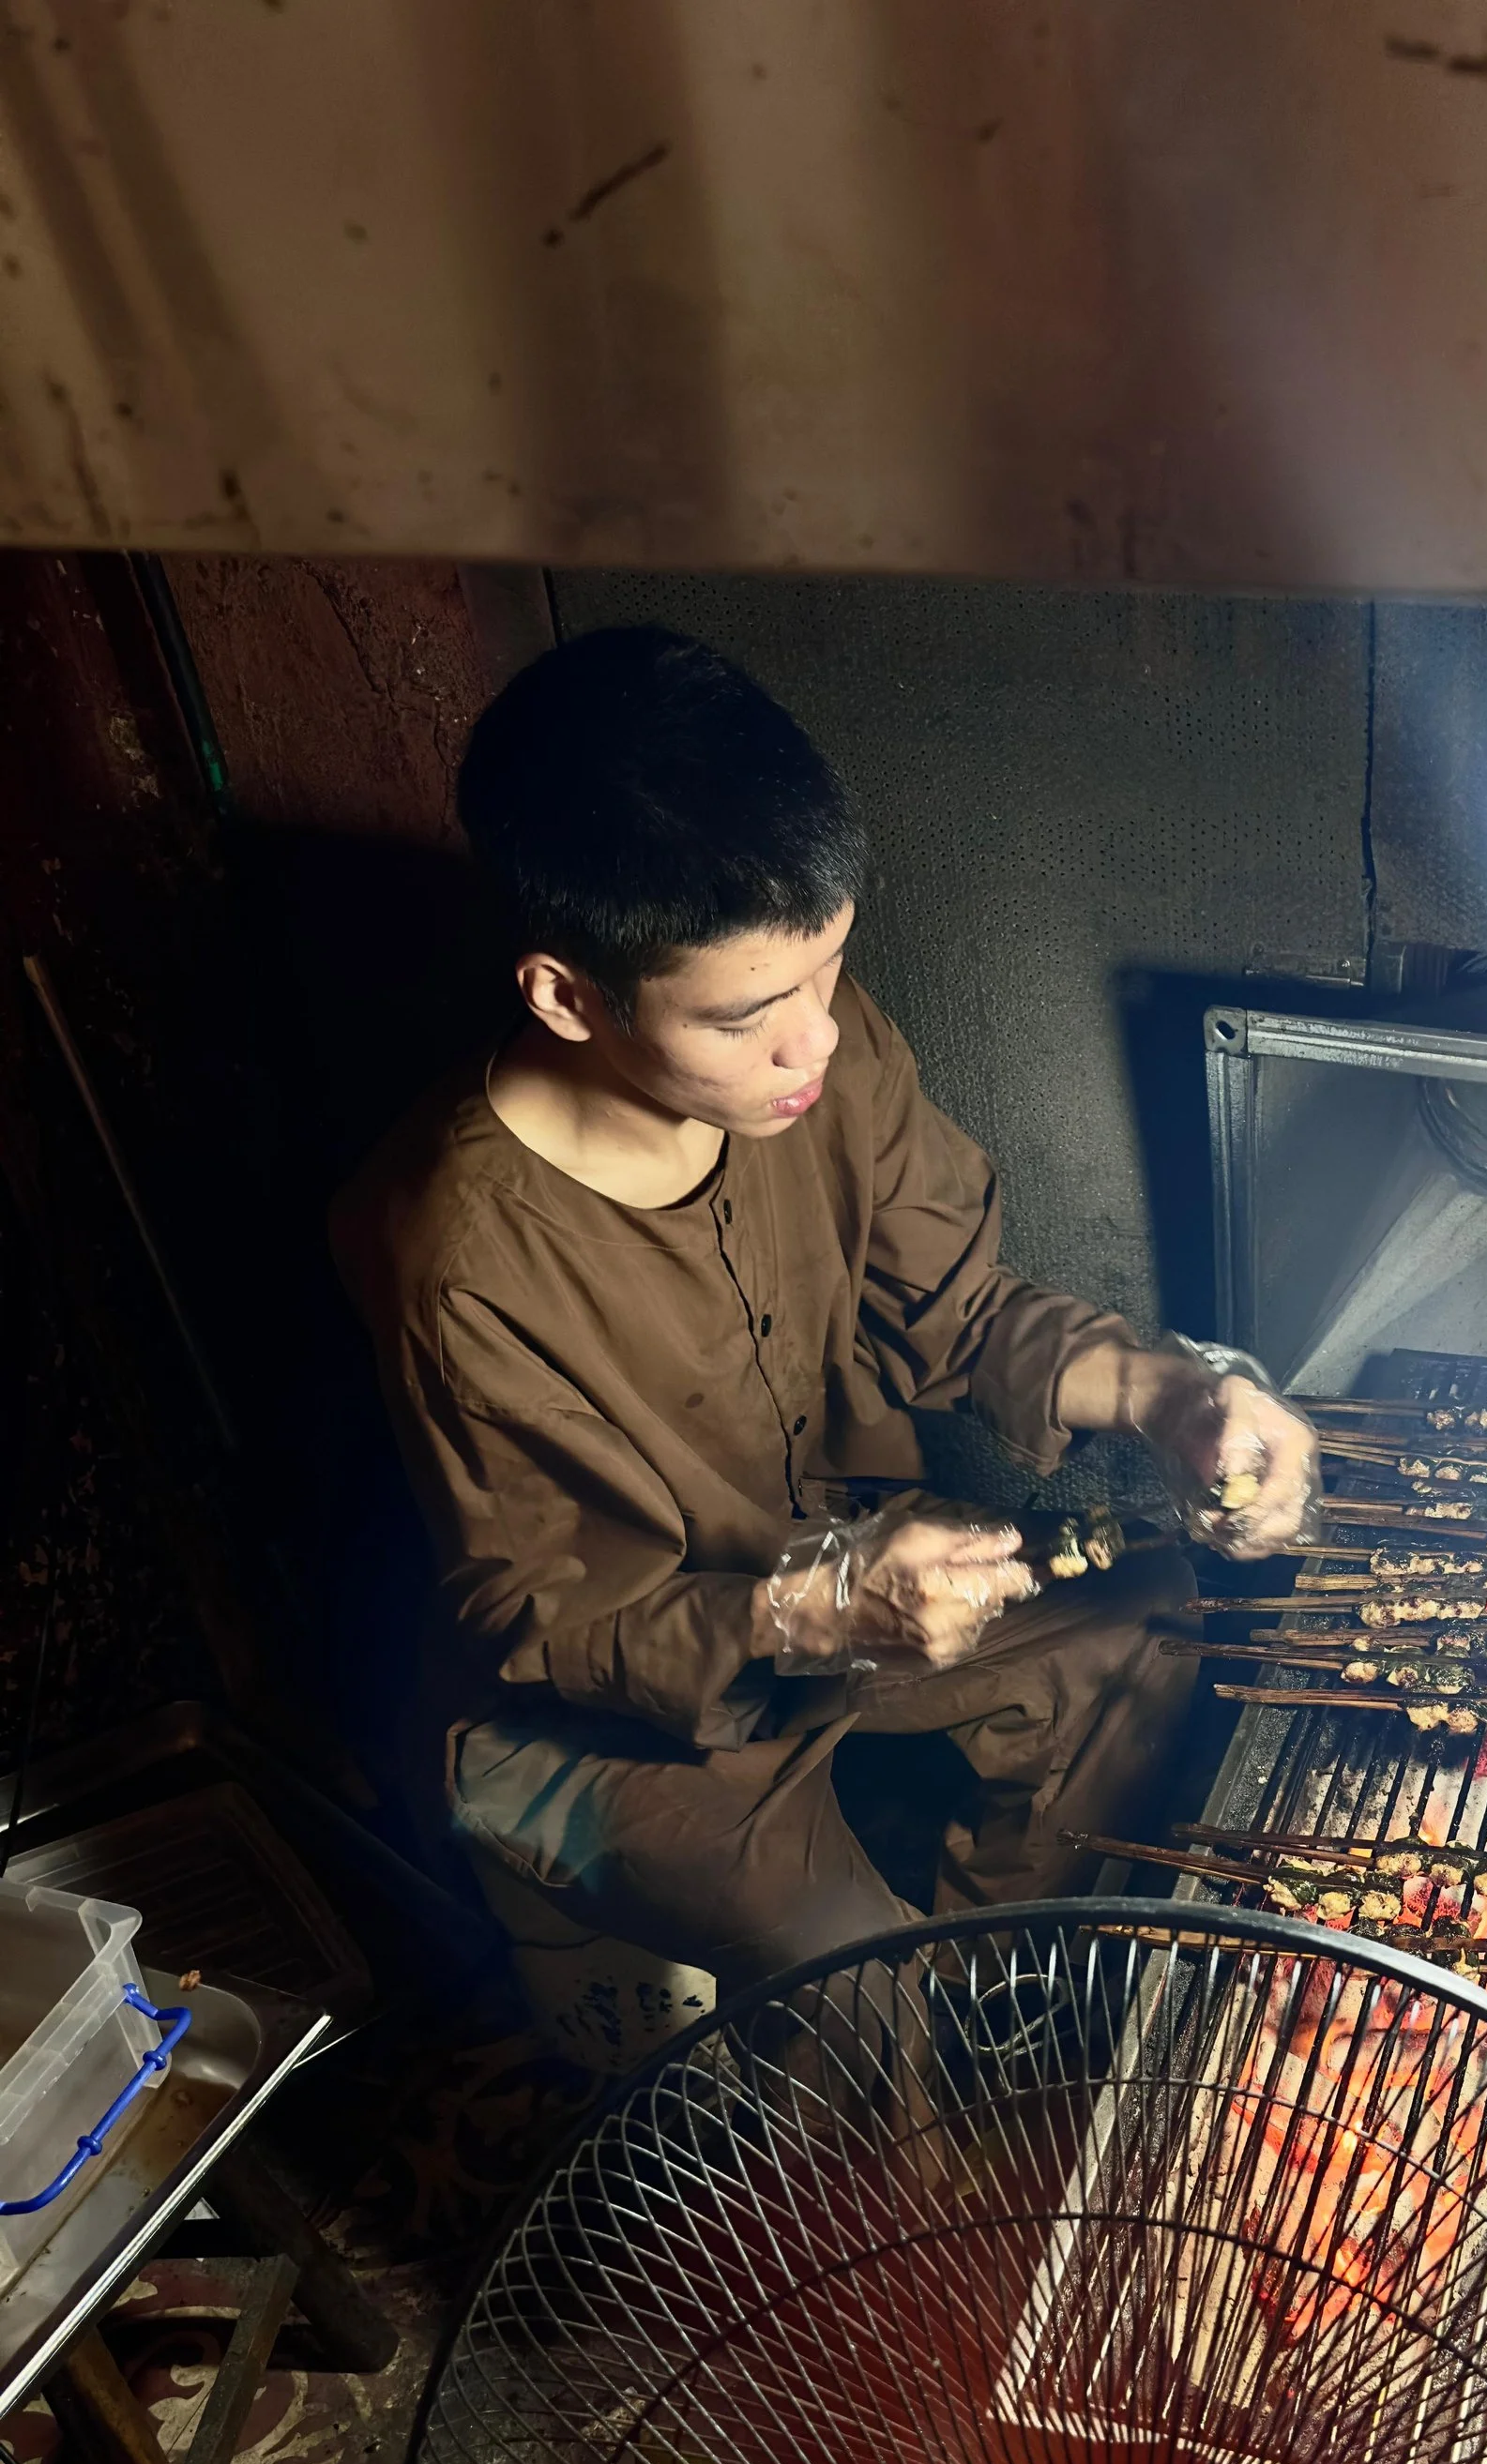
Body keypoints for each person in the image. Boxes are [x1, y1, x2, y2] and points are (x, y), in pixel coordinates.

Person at [332, 627, 1316, 1991]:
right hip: (593, 1716)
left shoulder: (809, 1056)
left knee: (1140, 1623)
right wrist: (810, 1614)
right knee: (845, 1981)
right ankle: (898, 2088)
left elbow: (961, 1306)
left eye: (827, 970)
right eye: (744, 1015)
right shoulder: (463, 1257)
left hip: (850, 1572)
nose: (818, 1040)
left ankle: (1013, 1991)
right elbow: (551, 1624)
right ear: (568, 997)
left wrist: (1172, 1395)